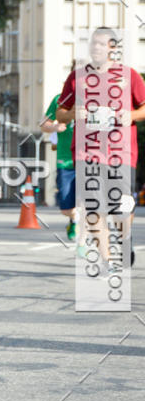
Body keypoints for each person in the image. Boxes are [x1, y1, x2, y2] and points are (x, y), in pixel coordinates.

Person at [57, 27, 145, 268]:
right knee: (93, 207)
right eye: (92, 43)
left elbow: (144, 107)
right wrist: (73, 112)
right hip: (87, 153)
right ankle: (108, 261)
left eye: (101, 43)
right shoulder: (77, 77)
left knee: (122, 207)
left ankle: (125, 239)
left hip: (121, 153)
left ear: (112, 48)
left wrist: (132, 115)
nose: (95, 47)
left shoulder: (130, 76)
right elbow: (60, 114)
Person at [40, 91, 77, 240]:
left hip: (89, 159)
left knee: (88, 202)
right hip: (65, 159)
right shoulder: (60, 99)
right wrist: (55, 128)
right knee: (66, 208)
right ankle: (74, 219)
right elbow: (44, 123)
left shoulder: (96, 96)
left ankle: (83, 234)